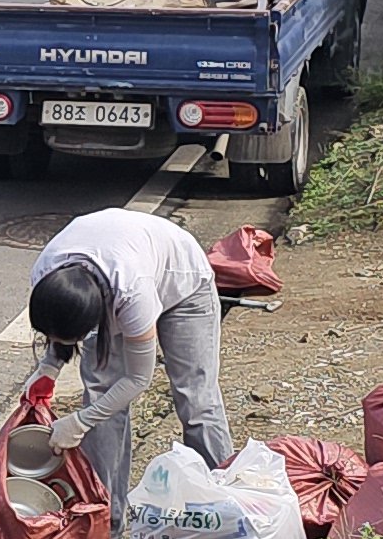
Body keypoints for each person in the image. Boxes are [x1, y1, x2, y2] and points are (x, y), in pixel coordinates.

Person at [21, 206, 233, 503]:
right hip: (124, 263)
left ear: (95, 319)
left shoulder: (132, 293)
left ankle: (224, 504)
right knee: (101, 397)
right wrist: (48, 368)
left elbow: (138, 378)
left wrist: (80, 422)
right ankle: (107, 515)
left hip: (184, 288)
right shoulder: (46, 276)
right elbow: (59, 325)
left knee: (196, 399)